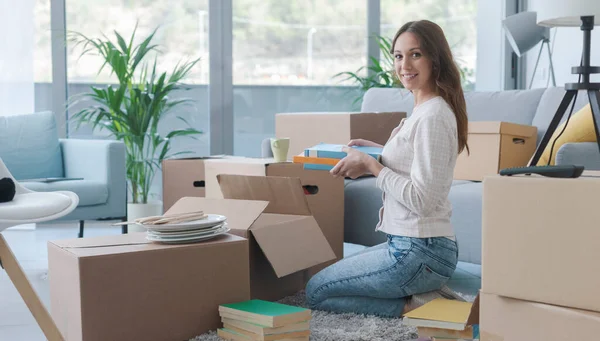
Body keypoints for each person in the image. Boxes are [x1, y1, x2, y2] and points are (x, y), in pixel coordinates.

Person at [304, 20, 469, 318]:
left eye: (415, 54)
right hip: (418, 249)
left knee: (316, 291)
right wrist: (379, 153)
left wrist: (371, 165)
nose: (404, 64)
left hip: (420, 252)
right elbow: (415, 161)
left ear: (435, 58)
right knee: (328, 283)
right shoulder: (425, 109)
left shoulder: (432, 115)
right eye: (398, 55)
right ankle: (427, 294)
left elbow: (422, 199)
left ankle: (421, 306)